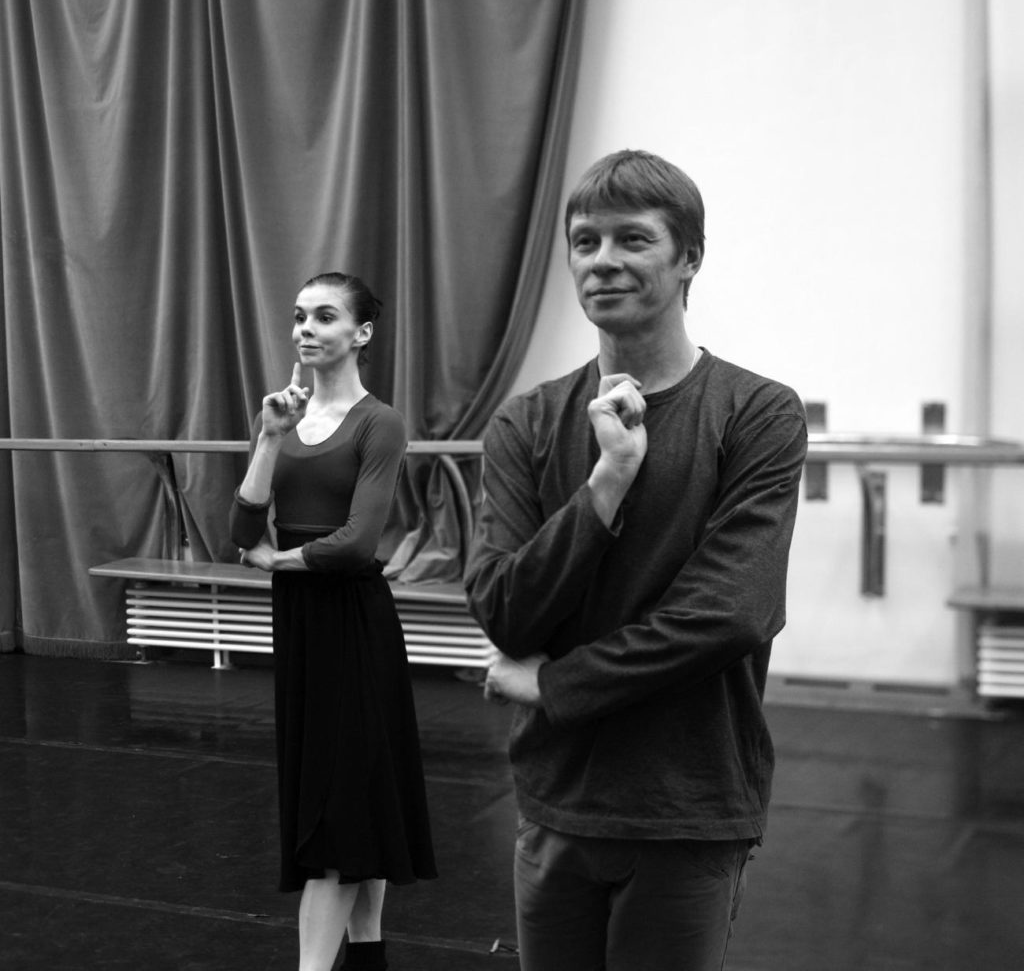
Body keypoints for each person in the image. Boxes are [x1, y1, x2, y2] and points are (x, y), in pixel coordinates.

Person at [464, 150, 807, 971]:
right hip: (557, 801)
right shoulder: (527, 423)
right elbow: (504, 609)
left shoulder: (757, 414)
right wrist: (607, 483)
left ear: (689, 257)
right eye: (585, 242)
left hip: (686, 806)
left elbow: (729, 615)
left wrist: (554, 683)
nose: (603, 261)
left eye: (632, 239)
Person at [230, 272, 436, 971]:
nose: (304, 329)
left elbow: (354, 544)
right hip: (301, 622)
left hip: (352, 623)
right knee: (358, 801)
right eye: (297, 317)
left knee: (339, 813)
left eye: (323, 316)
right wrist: (267, 437)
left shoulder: (380, 423)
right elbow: (241, 524)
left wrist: (273, 560)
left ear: (361, 333)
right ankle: (368, 958)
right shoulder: (283, 419)